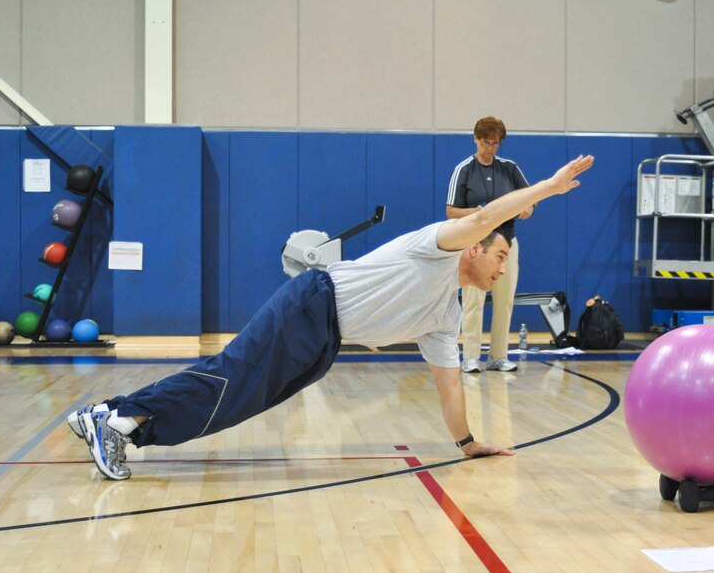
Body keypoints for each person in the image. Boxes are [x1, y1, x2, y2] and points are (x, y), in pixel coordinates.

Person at [67, 155, 594, 480]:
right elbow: (483, 215)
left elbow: (450, 387)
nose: (504, 269)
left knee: (241, 400)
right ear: (476, 249)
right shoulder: (437, 246)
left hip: (325, 339)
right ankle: (115, 420)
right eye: (501, 257)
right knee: (231, 379)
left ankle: (119, 422)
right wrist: (547, 187)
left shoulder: (445, 314)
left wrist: (467, 443)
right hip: (313, 304)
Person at [446, 116, 532, 373]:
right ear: (476, 138)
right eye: (486, 142)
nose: (490, 148)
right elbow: (451, 211)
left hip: (506, 244)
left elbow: (529, 198)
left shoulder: (510, 168)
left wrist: (528, 208)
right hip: (476, 245)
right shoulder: (464, 169)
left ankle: (498, 356)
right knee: (473, 301)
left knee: (505, 300)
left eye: (495, 143)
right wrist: (475, 213)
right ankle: (470, 356)